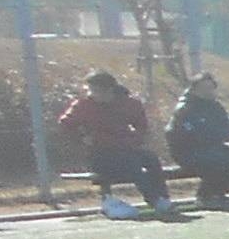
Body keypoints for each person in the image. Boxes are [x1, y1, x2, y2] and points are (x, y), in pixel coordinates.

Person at [57, 67, 172, 218]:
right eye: (90, 90)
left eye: (96, 90)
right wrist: (81, 138)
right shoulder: (83, 105)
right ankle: (154, 200)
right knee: (133, 163)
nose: (92, 94)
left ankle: (163, 198)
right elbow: (64, 123)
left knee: (150, 158)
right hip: (101, 154)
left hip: (127, 148)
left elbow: (142, 126)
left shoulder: (129, 103)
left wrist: (134, 139)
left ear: (110, 89)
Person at [167, 72, 229, 203]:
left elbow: (228, 129)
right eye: (204, 88)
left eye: (211, 88)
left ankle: (218, 194)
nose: (208, 92)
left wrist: (214, 134)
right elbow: (189, 135)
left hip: (213, 148)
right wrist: (212, 134)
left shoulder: (215, 106)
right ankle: (205, 196)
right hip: (187, 152)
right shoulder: (185, 108)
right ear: (194, 89)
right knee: (217, 162)